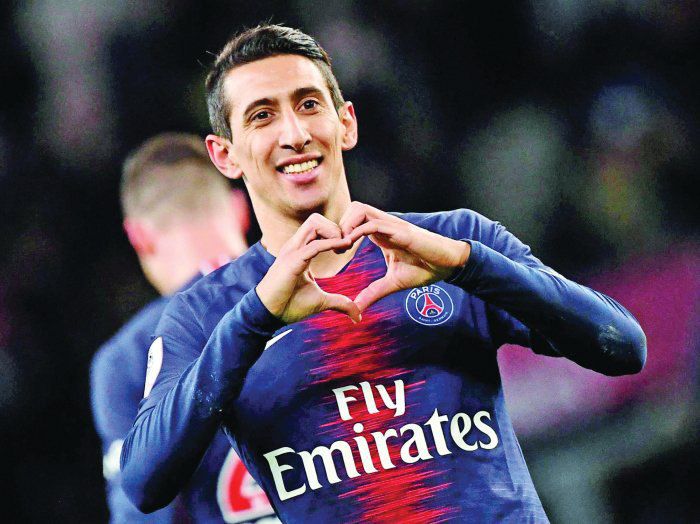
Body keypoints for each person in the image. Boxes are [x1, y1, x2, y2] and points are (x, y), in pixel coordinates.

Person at [120, 25, 647, 523]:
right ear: (225, 156)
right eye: (262, 116)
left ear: (346, 123)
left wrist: (470, 266)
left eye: (309, 104)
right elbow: (144, 483)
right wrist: (255, 317)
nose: (295, 133)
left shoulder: (451, 242)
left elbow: (623, 345)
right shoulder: (209, 312)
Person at [91, 132, 279, 523]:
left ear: (139, 237)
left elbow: (141, 514)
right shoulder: (317, 291)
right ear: (240, 209)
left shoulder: (129, 357)